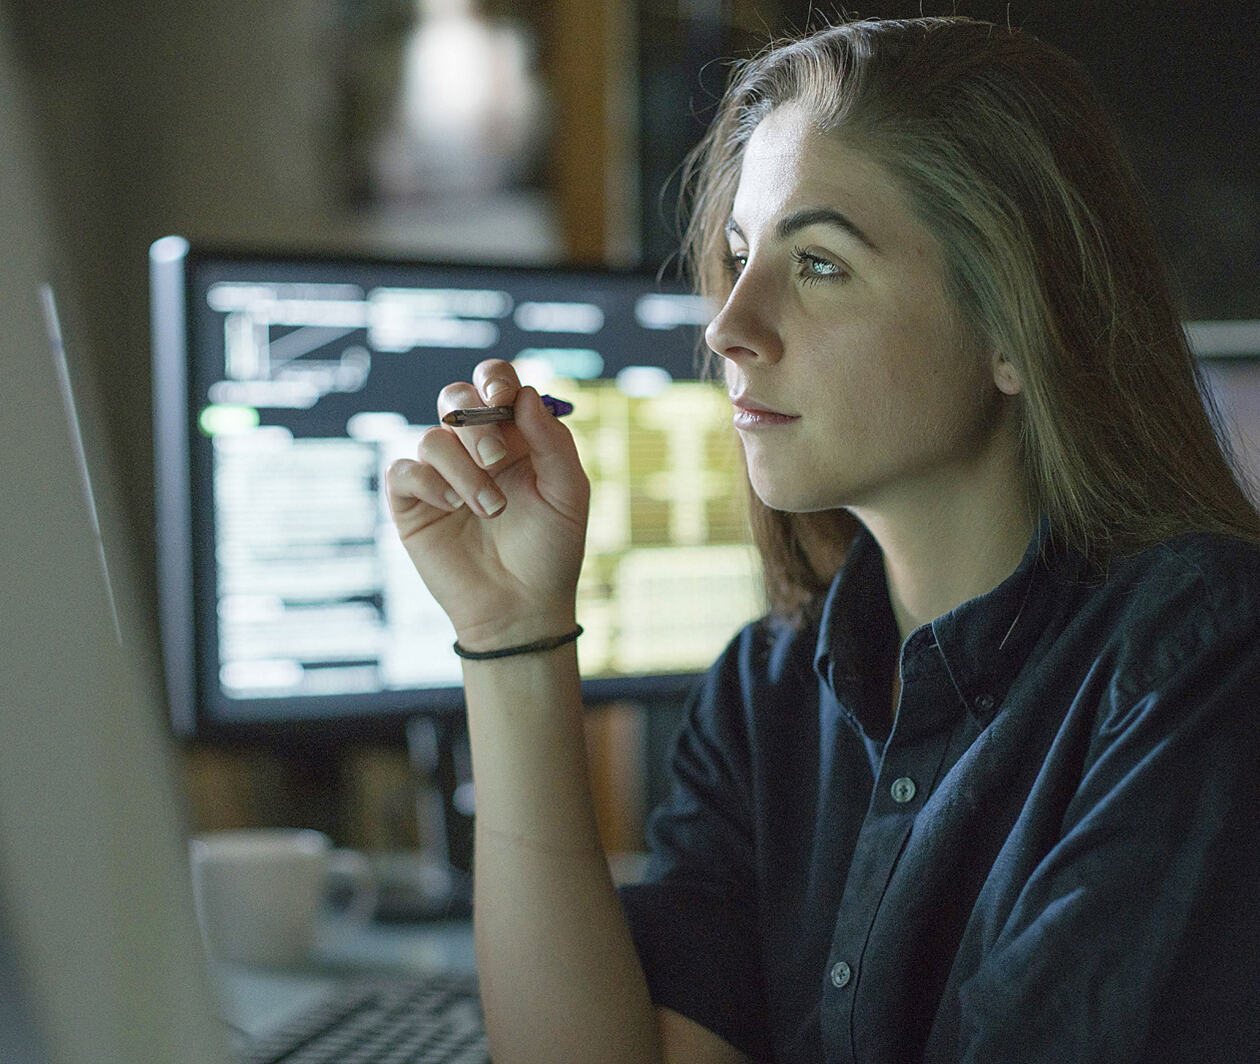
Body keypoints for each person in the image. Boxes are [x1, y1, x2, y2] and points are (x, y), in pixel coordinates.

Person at [385, 15, 1260, 1063]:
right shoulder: (765, 691)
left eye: (821, 264)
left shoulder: (1197, 658)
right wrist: (511, 632)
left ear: (1015, 330)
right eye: (743, 254)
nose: (727, 326)